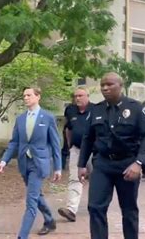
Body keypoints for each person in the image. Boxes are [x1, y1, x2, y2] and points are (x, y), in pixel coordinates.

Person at [77, 72, 145, 239]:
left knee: (128, 209)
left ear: (121, 85)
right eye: (103, 85)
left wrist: (139, 163)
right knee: (95, 207)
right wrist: (82, 164)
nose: (105, 88)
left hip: (128, 165)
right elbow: (88, 138)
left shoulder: (136, 108)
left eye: (109, 84)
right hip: (102, 165)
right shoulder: (96, 109)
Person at [0, 87, 62, 239]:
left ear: (38, 97)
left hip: (39, 164)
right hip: (24, 163)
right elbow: (14, 142)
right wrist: (4, 160)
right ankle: (50, 220)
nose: (26, 98)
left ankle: (22, 235)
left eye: (29, 95)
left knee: (31, 201)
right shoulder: (20, 119)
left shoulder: (47, 117)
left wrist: (58, 168)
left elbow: (55, 144)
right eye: (24, 96)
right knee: (36, 195)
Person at [58, 87, 93, 222]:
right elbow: (68, 128)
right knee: (74, 178)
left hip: (93, 151)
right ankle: (71, 210)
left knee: (96, 180)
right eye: (75, 96)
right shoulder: (70, 110)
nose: (77, 98)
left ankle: (96, 206)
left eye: (80, 95)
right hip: (76, 149)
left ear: (87, 96)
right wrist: (70, 145)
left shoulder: (96, 110)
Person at [62, 98, 77, 170]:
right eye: (75, 96)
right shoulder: (69, 108)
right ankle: (62, 166)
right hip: (68, 129)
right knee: (66, 148)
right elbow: (66, 119)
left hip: (79, 131)